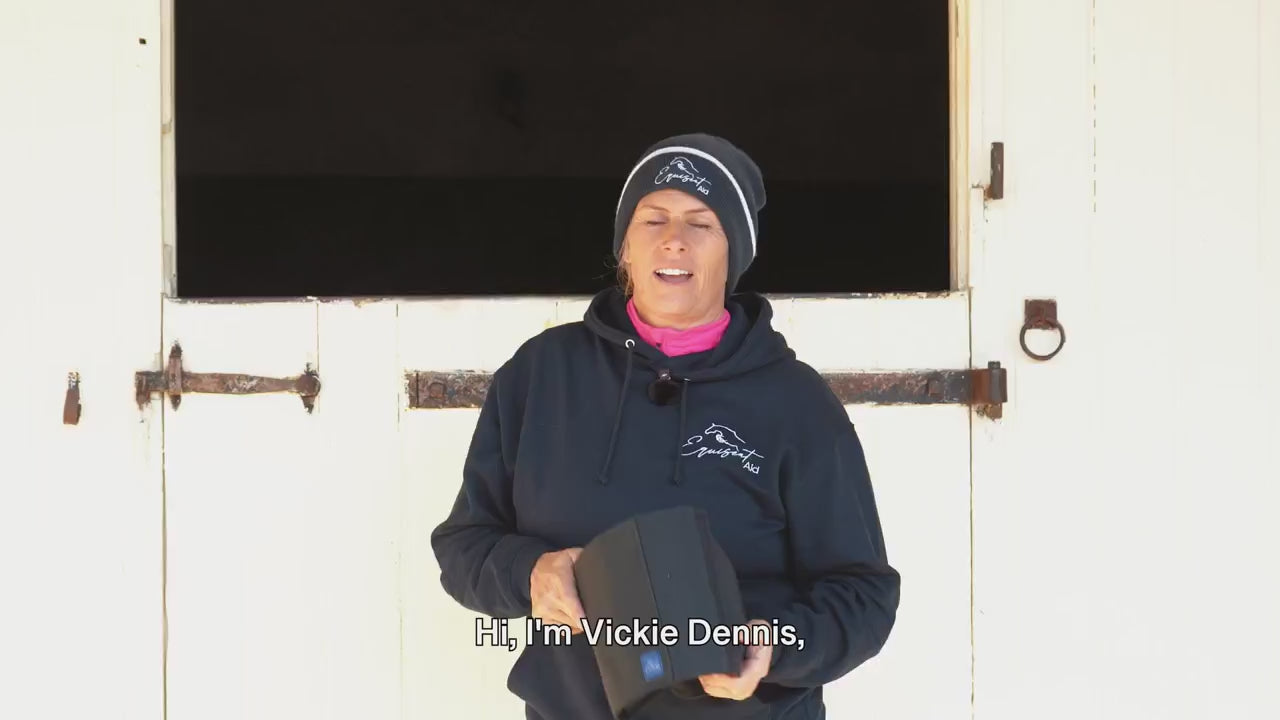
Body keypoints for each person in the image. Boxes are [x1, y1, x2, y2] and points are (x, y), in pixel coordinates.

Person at [431, 133, 900, 719]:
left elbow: (863, 595)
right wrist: (529, 573)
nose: (674, 238)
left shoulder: (795, 403)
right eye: (653, 219)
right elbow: (464, 545)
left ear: (732, 255)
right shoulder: (542, 374)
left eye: (702, 224)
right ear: (625, 248)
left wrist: (774, 647)